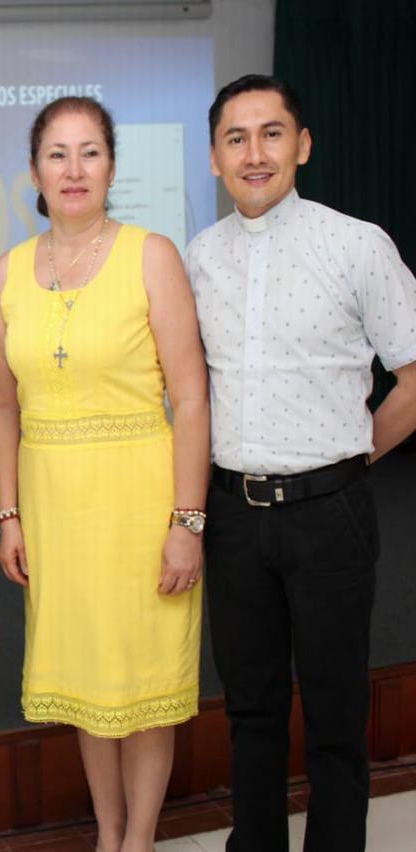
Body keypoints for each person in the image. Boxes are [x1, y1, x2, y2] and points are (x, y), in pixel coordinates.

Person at [186, 74, 416, 852]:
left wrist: (355, 451)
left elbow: (415, 374)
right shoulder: (197, 259)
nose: (254, 154)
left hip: (331, 515)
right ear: (213, 158)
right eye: (234, 138)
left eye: (271, 133)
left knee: (334, 714)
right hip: (232, 518)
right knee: (248, 713)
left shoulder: (356, 244)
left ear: (302, 145)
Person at [0, 97, 210, 852]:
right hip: (54, 509)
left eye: (88, 153)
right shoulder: (8, 272)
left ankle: (138, 840)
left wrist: (186, 523)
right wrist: (7, 515)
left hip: (140, 503)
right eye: (56, 154)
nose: (72, 170)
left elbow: (190, 394)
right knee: (87, 688)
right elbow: (1, 407)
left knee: (142, 688)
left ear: (111, 166)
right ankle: (106, 834)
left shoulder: (151, 255)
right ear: (34, 171)